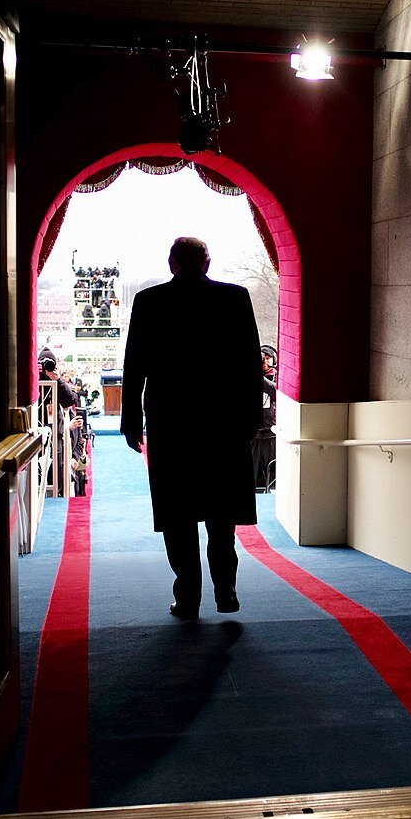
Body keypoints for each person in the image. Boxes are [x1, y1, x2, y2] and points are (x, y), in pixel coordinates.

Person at [122, 236, 264, 619]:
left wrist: (131, 420)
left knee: (177, 512)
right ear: (207, 263)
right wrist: (254, 417)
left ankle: (187, 596)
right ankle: (226, 589)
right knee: (221, 511)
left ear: (172, 263)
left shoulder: (149, 302)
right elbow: (252, 363)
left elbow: (134, 366)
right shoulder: (235, 298)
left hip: (171, 423)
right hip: (223, 422)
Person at [251, 345, 278, 490]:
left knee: (273, 476)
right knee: (254, 476)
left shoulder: (277, 377)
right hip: (255, 435)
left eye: (267, 358)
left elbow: (276, 391)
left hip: (271, 435)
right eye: (262, 358)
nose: (264, 362)